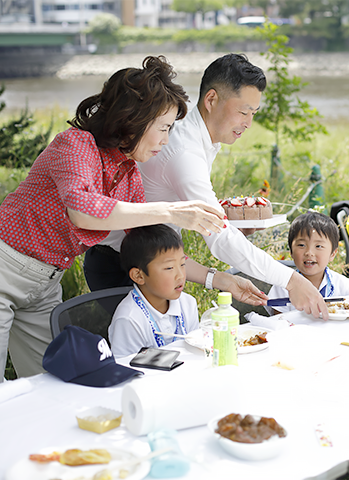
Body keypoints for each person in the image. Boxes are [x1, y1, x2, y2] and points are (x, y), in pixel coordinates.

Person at [0, 56, 226, 380]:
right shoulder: (76, 145)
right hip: (6, 266)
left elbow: (150, 248)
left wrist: (216, 277)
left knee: (47, 385)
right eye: (163, 128)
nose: (166, 139)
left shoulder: (128, 173)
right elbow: (82, 210)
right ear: (133, 119)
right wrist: (171, 210)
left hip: (46, 283)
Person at [84, 53, 329, 320]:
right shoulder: (183, 151)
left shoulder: (199, 140)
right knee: (143, 356)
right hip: (123, 266)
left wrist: (222, 275)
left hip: (157, 259)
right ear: (211, 99)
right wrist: (293, 280)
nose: (248, 123)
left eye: (253, 114)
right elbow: (219, 237)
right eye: (243, 111)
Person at [109, 225, 199, 357]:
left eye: (182, 264)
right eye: (169, 268)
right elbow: (125, 369)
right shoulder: (129, 319)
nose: (180, 275)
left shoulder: (188, 304)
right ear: (139, 276)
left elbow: (196, 351)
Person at [266, 212, 349, 315]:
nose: (309, 252)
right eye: (301, 245)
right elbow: (278, 323)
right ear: (291, 252)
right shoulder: (283, 286)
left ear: (332, 254)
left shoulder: (344, 286)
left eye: (318, 246)